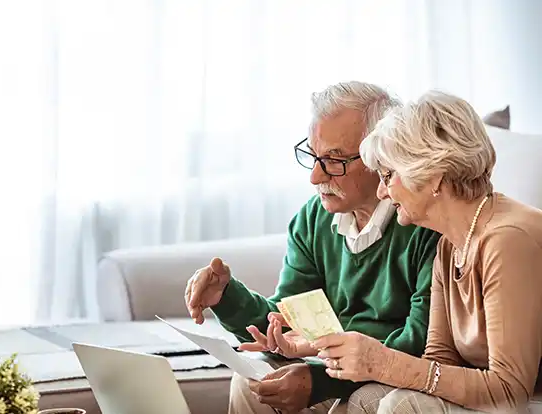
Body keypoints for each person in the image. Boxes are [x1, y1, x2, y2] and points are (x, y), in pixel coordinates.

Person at [184, 81, 442, 414]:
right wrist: (226, 297)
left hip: (393, 371)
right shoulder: (314, 218)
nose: (315, 177)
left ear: (382, 154)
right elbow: (288, 324)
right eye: (313, 155)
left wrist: (319, 381)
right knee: (251, 382)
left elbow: (420, 342)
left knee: (362, 403)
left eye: (334, 161)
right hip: (334, 368)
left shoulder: (424, 223)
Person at [311, 90, 542, 414]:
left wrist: (384, 362)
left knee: (400, 404)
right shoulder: (450, 244)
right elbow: (439, 360)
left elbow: (509, 391)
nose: (381, 191)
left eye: (389, 176)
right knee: (368, 400)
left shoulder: (507, 241)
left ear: (432, 176)